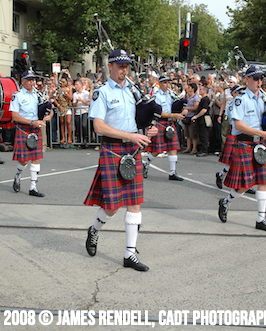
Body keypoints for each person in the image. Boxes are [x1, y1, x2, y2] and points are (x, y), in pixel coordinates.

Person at [84, 49, 158, 272]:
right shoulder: (102, 92)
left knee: (134, 204)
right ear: (110, 67)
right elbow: (98, 127)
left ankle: (129, 254)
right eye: (120, 66)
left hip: (132, 150)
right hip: (113, 150)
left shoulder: (133, 91)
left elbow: (137, 120)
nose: (124, 70)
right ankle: (95, 230)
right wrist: (131, 136)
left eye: (127, 66)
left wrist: (147, 130)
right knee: (112, 207)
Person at [217, 66, 266, 232]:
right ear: (247, 80)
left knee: (264, 181)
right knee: (245, 185)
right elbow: (238, 125)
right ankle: (226, 202)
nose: (259, 82)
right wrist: (262, 133)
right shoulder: (240, 100)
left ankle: (261, 219)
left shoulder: (265, 99)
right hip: (245, 144)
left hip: (260, 144)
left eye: (261, 79)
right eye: (256, 79)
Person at [9, 70, 53, 197]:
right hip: (24, 129)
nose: (31, 82)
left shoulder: (38, 95)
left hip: (36, 129)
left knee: (36, 158)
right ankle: (18, 175)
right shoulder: (17, 96)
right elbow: (15, 116)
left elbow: (49, 109)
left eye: (33, 80)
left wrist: (49, 116)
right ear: (22, 81)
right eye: (29, 80)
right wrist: (31, 122)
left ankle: (33, 187)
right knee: (24, 160)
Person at [142, 75, 184, 181]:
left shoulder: (171, 94)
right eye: (165, 82)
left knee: (173, 147)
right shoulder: (156, 96)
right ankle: (146, 165)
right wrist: (173, 115)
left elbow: (176, 104)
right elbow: (159, 112)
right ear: (160, 83)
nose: (167, 85)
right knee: (157, 150)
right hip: (160, 123)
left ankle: (172, 172)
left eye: (168, 82)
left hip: (170, 123)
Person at [192, 82, 211, 157]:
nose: (199, 91)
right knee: (201, 135)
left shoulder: (205, 99)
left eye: (201, 90)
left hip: (204, 119)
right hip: (201, 120)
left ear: (205, 91)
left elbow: (204, 110)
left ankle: (205, 150)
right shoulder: (202, 99)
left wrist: (196, 116)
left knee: (203, 135)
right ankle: (202, 149)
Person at [181, 83, 200, 154]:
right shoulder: (188, 97)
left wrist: (187, 108)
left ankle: (194, 148)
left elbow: (196, 107)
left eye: (189, 87)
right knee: (187, 133)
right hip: (187, 116)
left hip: (192, 116)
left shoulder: (196, 98)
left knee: (193, 134)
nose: (188, 89)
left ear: (193, 89)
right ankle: (188, 148)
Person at [72, 79, 90, 148]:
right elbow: (73, 105)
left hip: (84, 111)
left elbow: (88, 102)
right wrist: (77, 101)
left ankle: (86, 139)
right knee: (78, 127)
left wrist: (81, 100)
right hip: (77, 112)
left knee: (84, 125)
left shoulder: (86, 93)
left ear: (81, 85)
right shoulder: (75, 94)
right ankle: (80, 140)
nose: (76, 86)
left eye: (77, 84)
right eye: (75, 85)